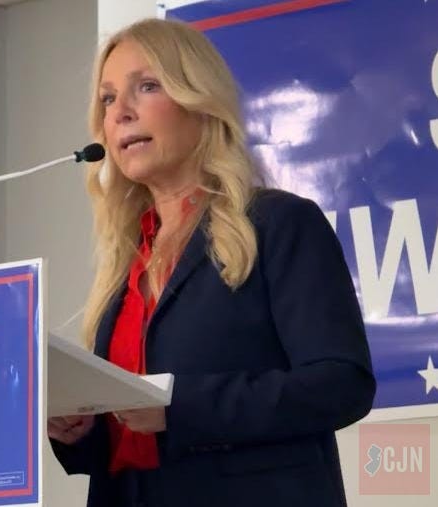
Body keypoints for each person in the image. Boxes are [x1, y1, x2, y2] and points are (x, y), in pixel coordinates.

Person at [48, 18, 375, 507]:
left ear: (200, 102)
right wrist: (81, 428)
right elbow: (130, 444)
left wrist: (178, 406)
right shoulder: (127, 259)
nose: (121, 113)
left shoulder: (279, 223)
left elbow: (341, 384)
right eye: (108, 99)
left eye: (147, 86)